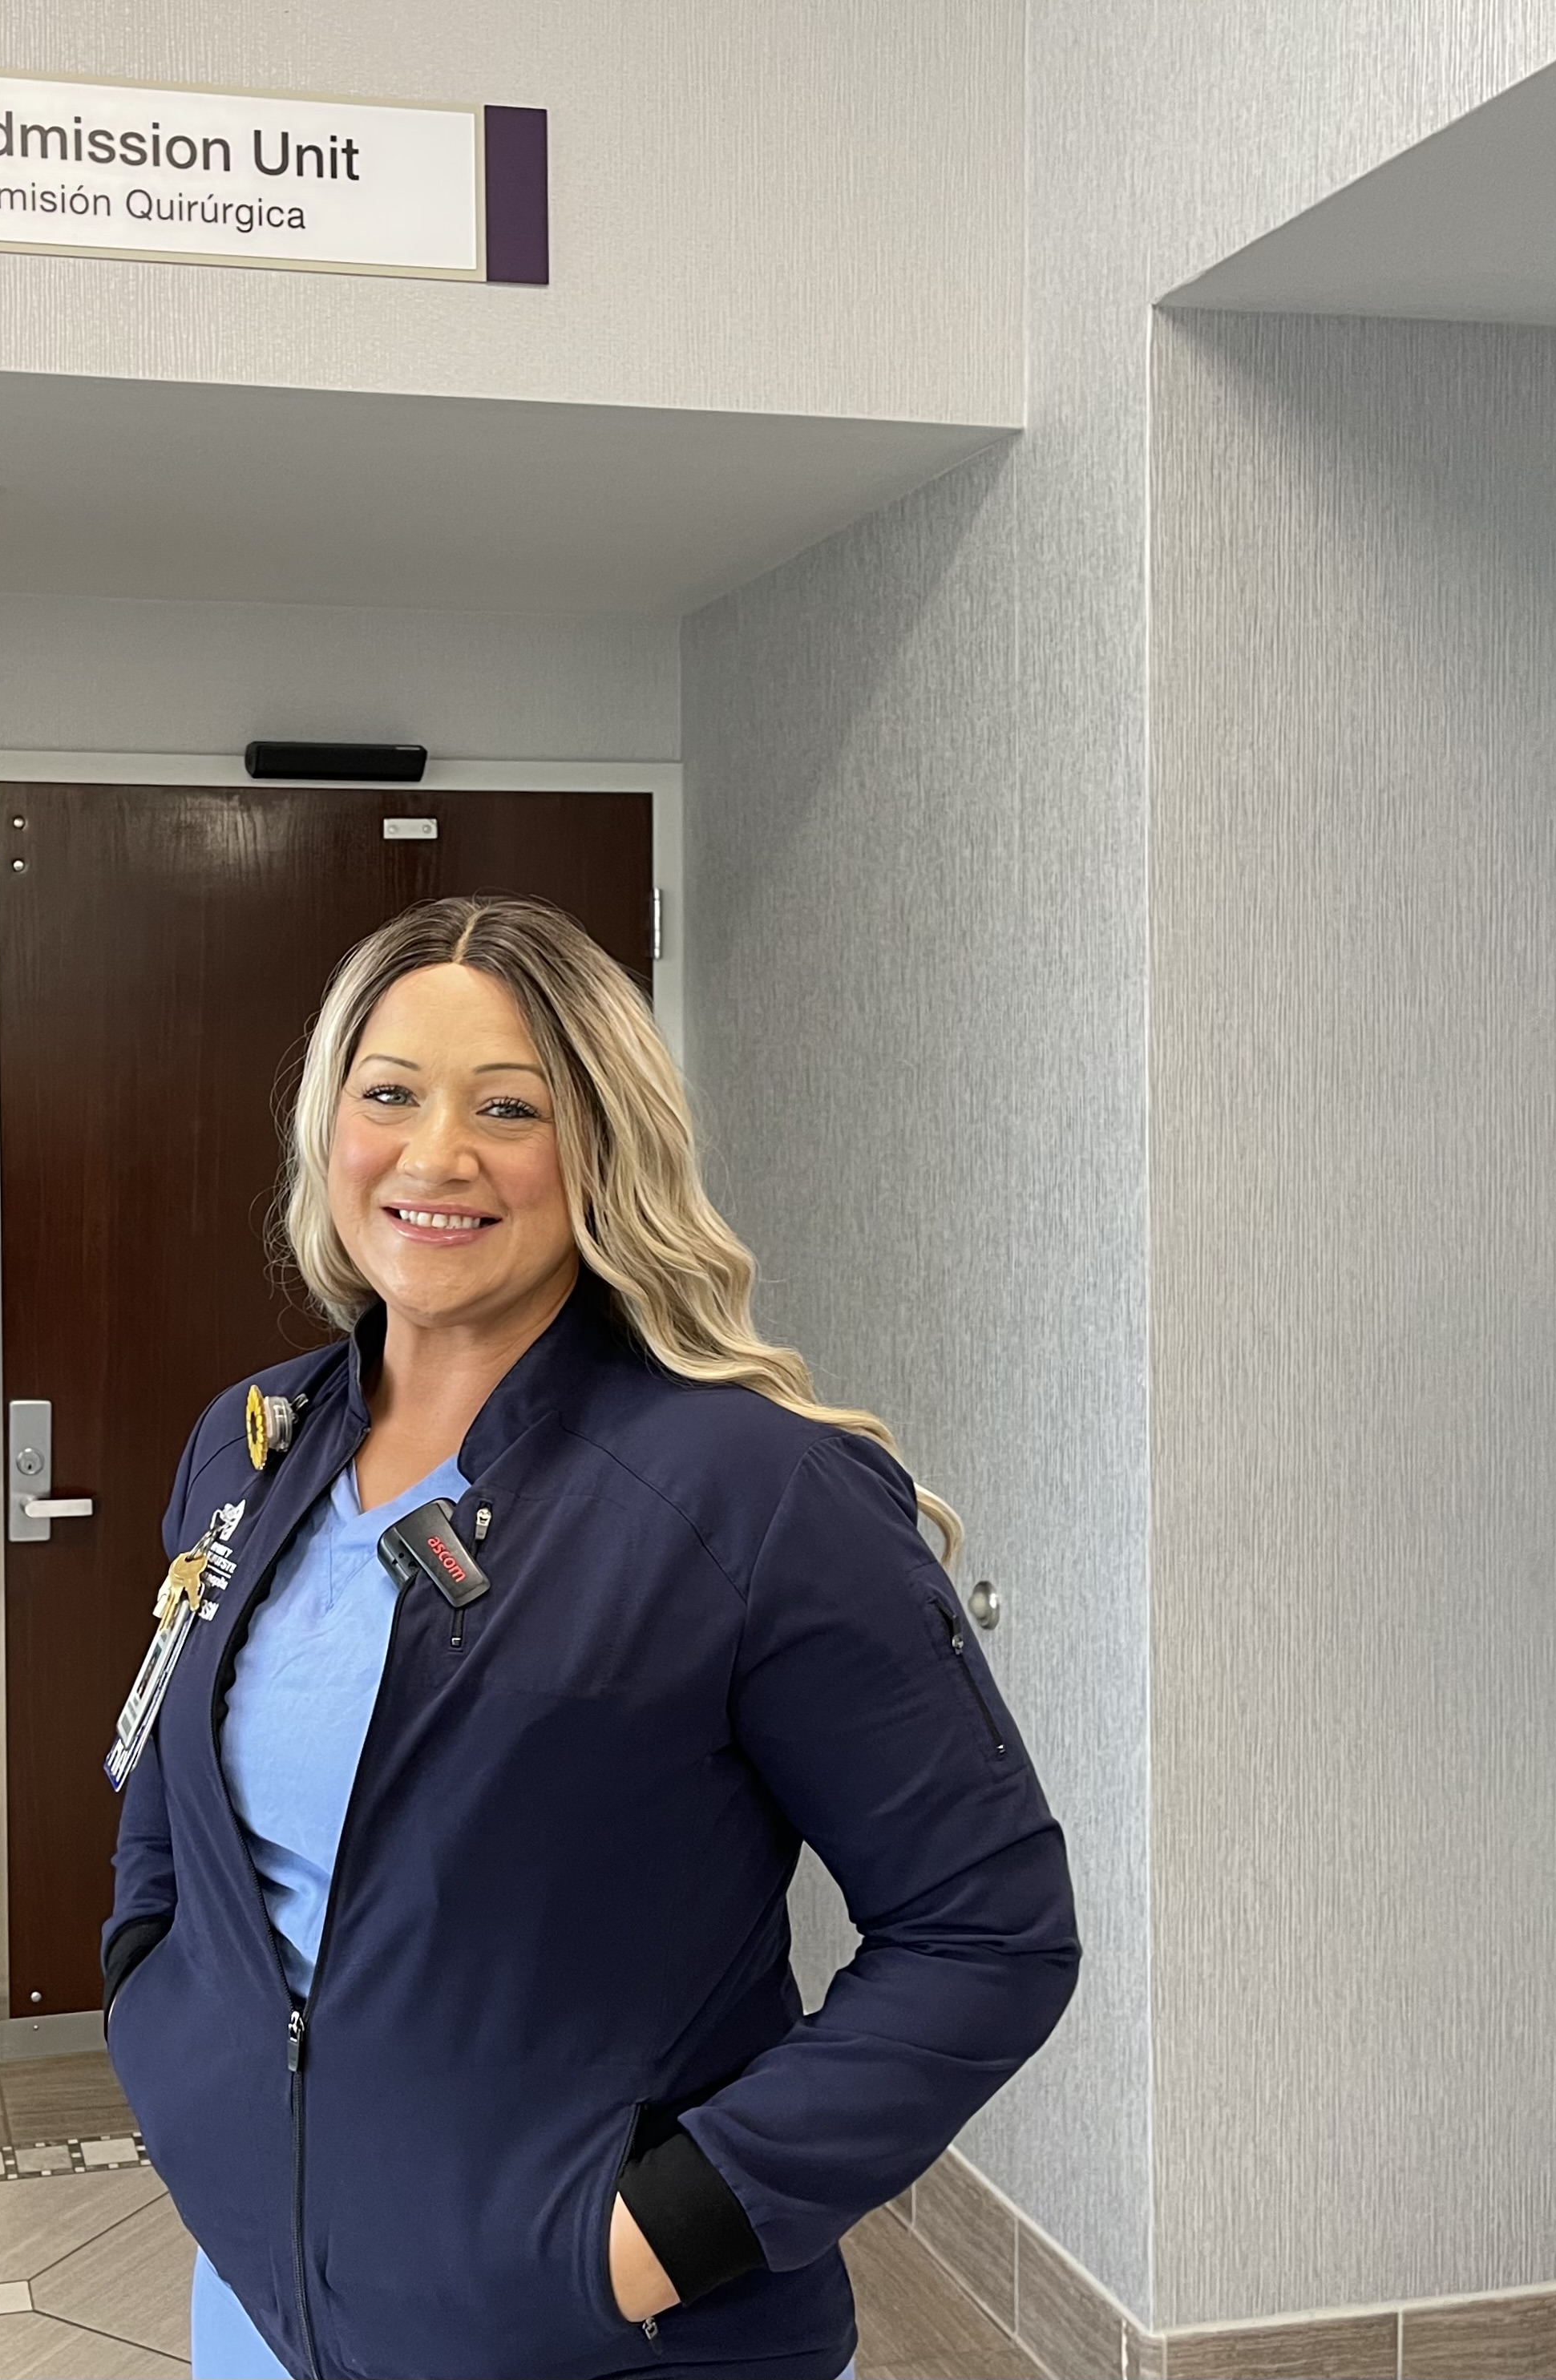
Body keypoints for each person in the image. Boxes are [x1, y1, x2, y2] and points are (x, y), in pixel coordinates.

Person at [101, 896, 1078, 2380]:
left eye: (509, 1107)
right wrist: (157, 2021)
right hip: (259, 2309)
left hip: (600, 2338)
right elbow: (171, 1802)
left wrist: (647, 2237)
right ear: (328, 1128)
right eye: (389, 1093)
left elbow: (986, 1930)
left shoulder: (755, 1492)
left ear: (604, 1143)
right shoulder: (250, 1441)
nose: (436, 1154)